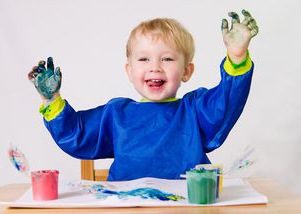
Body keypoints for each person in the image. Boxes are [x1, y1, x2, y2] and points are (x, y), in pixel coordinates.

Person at [28, 10, 258, 181]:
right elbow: (75, 135)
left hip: (186, 206)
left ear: (187, 71)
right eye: (143, 59)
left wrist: (237, 58)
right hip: (126, 206)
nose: (155, 67)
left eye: (167, 59)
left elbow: (226, 103)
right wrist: (51, 100)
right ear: (129, 71)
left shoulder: (194, 110)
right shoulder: (116, 115)